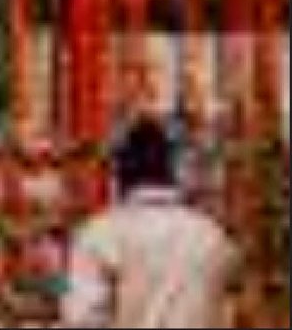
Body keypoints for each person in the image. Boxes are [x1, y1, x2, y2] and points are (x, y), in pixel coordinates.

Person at [61, 116, 240, 328]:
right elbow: (228, 309)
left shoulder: (100, 236)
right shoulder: (212, 237)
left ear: (119, 175)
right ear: (171, 172)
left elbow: (84, 319)